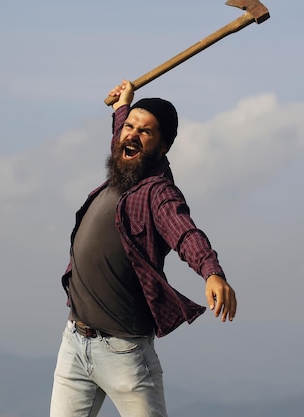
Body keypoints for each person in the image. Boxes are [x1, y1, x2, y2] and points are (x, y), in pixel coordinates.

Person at [50, 80, 237, 417]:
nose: (132, 135)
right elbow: (122, 133)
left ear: (163, 148)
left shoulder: (157, 192)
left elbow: (185, 233)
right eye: (129, 127)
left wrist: (211, 272)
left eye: (145, 132)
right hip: (74, 342)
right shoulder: (122, 163)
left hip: (124, 353)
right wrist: (124, 103)